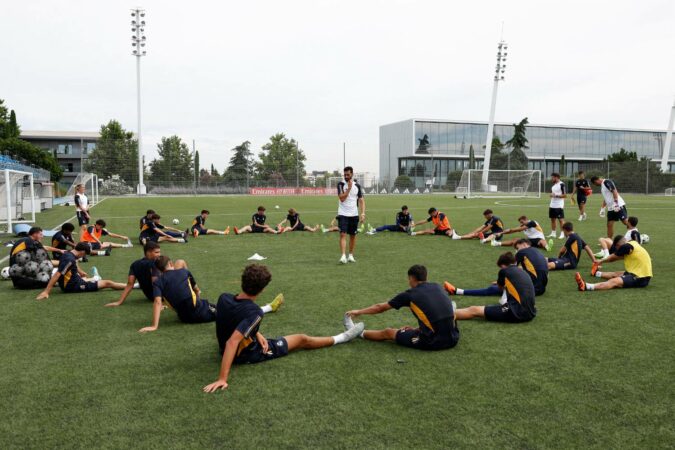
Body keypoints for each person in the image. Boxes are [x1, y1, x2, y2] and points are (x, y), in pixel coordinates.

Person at [203, 264, 364, 393]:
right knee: (302, 339)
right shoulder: (255, 312)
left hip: (227, 349)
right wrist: (222, 378)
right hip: (246, 353)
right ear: (262, 289)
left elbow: (231, 318)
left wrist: (256, 333)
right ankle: (343, 337)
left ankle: (266, 318)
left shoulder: (224, 297)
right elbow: (232, 342)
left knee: (263, 334)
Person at [138, 257, 285, 332]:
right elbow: (195, 287)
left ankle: (266, 307)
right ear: (170, 263)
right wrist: (197, 293)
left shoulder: (158, 282)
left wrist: (154, 325)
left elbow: (157, 302)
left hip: (184, 316)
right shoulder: (183, 272)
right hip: (198, 311)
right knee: (229, 310)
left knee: (221, 306)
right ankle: (269, 308)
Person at [345, 265, 459, 351]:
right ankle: (421, 331)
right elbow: (436, 313)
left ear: (411, 278)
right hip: (454, 338)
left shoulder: (410, 295)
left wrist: (359, 311)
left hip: (433, 342)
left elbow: (380, 307)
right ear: (426, 277)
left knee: (388, 332)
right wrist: (417, 329)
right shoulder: (438, 287)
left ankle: (359, 333)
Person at [444, 239, 549, 297]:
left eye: (517, 248)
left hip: (533, 290)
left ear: (525, 244)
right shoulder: (537, 251)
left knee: (492, 289)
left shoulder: (521, 253)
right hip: (542, 288)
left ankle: (457, 291)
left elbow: (512, 270)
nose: (517, 251)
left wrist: (502, 281)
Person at [452, 252, 537, 323]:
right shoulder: (522, 271)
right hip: (531, 312)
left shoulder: (504, 271)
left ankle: (447, 314)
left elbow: (500, 288)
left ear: (503, 265)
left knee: (474, 310)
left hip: (516, 312)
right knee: (491, 307)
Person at [36, 243, 126, 300]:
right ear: (82, 251)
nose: (84, 256)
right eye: (85, 254)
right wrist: (46, 292)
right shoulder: (69, 260)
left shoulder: (69, 253)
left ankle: (95, 278)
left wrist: (80, 271)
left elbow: (75, 262)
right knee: (107, 283)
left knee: (84, 278)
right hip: (71, 286)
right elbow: (57, 274)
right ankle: (133, 285)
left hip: (73, 280)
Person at [575, 234, 652, 291]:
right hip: (639, 273)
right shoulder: (633, 244)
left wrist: (601, 261)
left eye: (617, 248)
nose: (617, 249)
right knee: (616, 274)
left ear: (618, 245)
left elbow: (613, 258)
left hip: (640, 278)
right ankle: (596, 273)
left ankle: (586, 286)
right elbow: (618, 258)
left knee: (614, 281)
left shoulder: (626, 246)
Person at [105, 241, 162, 306]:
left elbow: (130, 284)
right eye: (156, 252)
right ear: (148, 252)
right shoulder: (155, 264)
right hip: (161, 297)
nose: (159, 254)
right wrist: (160, 303)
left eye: (159, 252)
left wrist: (119, 302)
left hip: (150, 297)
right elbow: (156, 284)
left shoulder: (135, 264)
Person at [336, 166, 366, 263]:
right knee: (343, 234)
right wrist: (348, 189)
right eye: (344, 175)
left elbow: (361, 200)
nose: (346, 176)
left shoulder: (357, 186)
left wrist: (362, 213)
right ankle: (343, 256)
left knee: (353, 236)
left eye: (348, 174)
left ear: (352, 174)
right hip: (343, 214)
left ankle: (351, 255)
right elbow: (342, 198)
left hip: (354, 214)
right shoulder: (340, 185)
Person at [548, 172, 567, 239]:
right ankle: (553, 233)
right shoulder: (553, 186)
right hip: (552, 205)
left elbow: (565, 195)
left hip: (559, 206)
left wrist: (555, 195)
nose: (551, 179)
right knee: (553, 219)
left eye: (552, 177)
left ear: (556, 177)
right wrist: (552, 195)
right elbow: (554, 194)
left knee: (561, 220)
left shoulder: (562, 184)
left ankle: (562, 234)